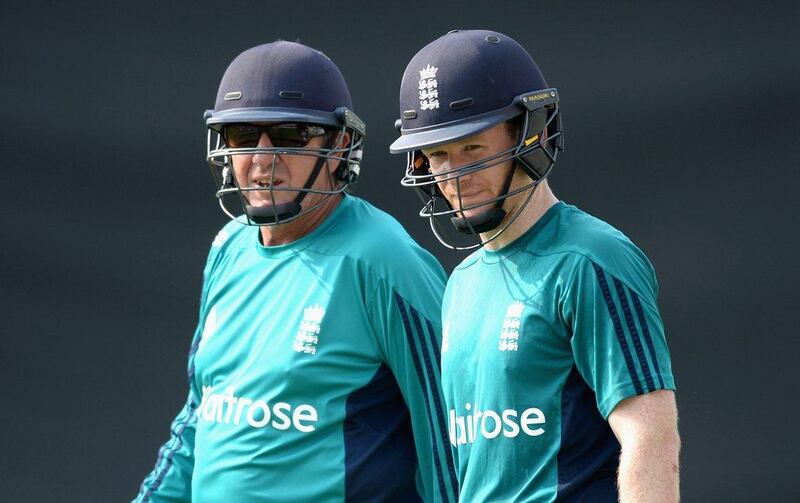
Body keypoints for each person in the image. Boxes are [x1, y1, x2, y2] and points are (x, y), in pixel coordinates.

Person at [134, 41, 457, 503]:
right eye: (243, 136)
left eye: (290, 134)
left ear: (339, 144)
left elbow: (449, 443)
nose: (263, 158)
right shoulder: (229, 247)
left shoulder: (384, 260)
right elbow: (199, 419)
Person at [390, 30, 680, 502]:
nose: (453, 176)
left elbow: (651, 440)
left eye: (472, 148)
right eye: (438, 154)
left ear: (533, 133)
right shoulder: (462, 281)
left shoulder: (591, 259)